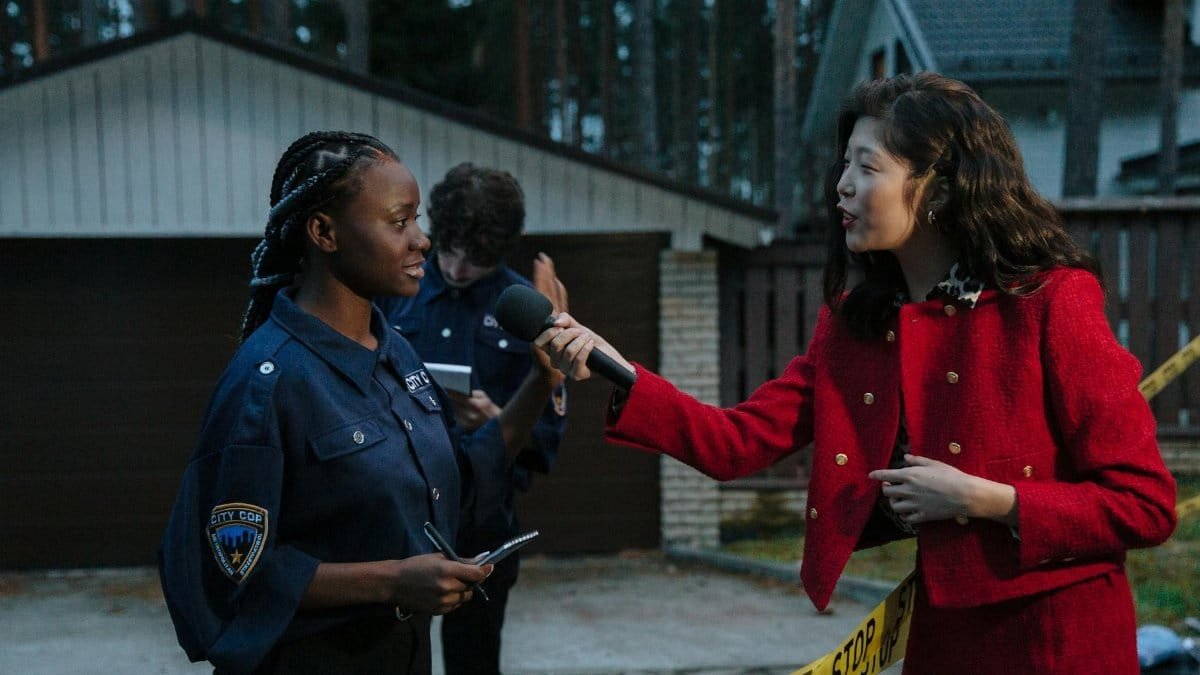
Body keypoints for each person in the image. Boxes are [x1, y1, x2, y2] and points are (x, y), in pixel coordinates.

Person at [534, 73, 1177, 674]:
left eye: (867, 166)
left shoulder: (1051, 303)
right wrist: (611, 365)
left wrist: (985, 499)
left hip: (1062, 637)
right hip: (944, 637)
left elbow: (1145, 505)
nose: (841, 183)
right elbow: (735, 443)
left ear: (942, 188)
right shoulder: (856, 326)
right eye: (844, 163)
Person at [158, 131, 512, 674]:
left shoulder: (398, 354)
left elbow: (457, 479)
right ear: (324, 231)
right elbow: (228, 566)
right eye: (399, 222)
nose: (422, 241)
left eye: (417, 220)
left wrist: (542, 379)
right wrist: (394, 580)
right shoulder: (267, 381)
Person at [376, 162, 569, 675]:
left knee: (474, 663)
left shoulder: (525, 309)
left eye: (476, 260)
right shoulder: (391, 291)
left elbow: (547, 439)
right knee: (388, 653)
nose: (458, 269)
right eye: (451, 252)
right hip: (398, 511)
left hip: (483, 516)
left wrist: (499, 417)